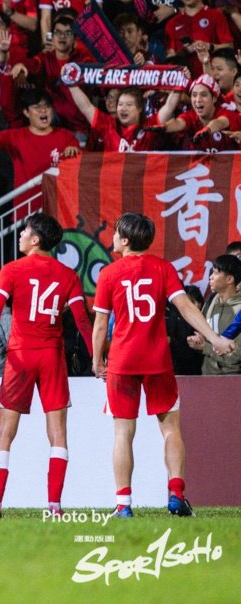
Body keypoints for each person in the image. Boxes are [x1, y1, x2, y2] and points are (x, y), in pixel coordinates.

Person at [92, 213, 236, 517]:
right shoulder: (163, 268)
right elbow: (185, 307)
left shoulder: (109, 273)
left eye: (116, 233)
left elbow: (101, 324)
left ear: (126, 239)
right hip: (157, 359)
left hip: (122, 360)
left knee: (122, 432)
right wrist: (215, 339)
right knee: (170, 430)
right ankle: (176, 495)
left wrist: (96, 360)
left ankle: (123, 505)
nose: (113, 238)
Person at [0, 213, 92, 519]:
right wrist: (98, 359)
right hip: (52, 356)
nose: (21, 236)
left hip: (20, 356)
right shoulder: (68, 275)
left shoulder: (12, 270)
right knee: (58, 433)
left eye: (25, 231)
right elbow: (81, 321)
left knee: (5, 431)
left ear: (36, 238)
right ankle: (54, 505)